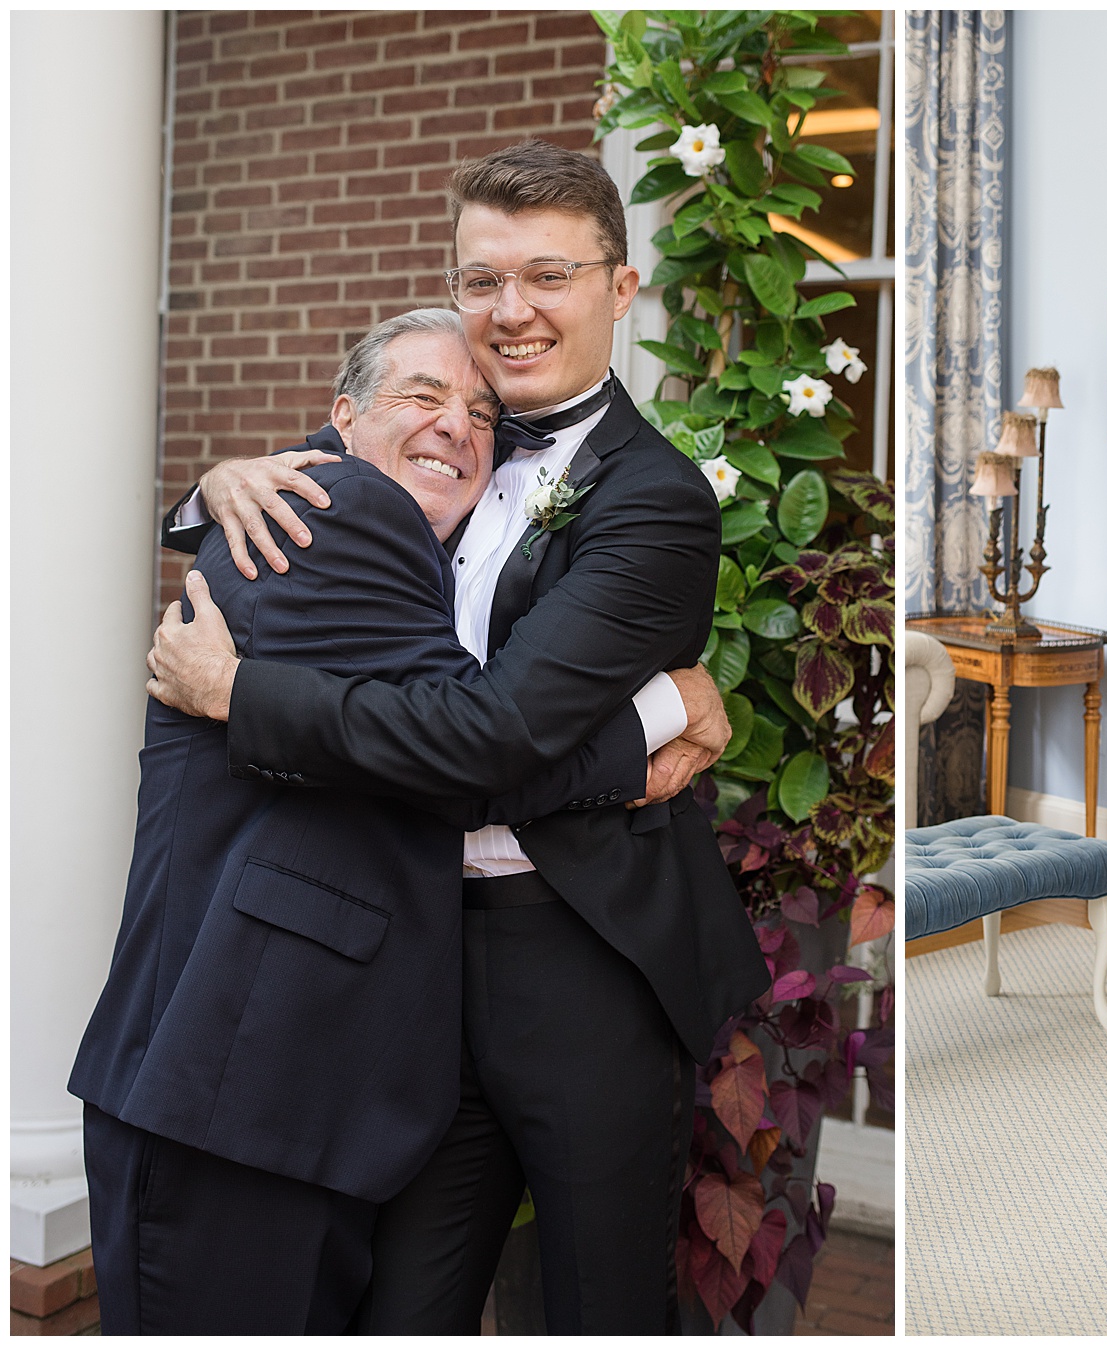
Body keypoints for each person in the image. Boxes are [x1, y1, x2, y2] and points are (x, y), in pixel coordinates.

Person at [144, 140, 771, 1333]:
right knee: (406, 1303)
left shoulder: (654, 497)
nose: (511, 311)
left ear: (620, 291)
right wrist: (213, 485)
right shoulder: (449, 443)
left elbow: (492, 734)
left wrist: (241, 695)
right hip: (422, 952)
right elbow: (335, 466)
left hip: (583, 961)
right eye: (483, 280)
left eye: (548, 276)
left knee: (598, 1303)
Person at [70, 311, 670, 1333]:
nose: (458, 428)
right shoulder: (347, 509)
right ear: (342, 416)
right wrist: (663, 717)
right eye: (424, 397)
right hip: (237, 1091)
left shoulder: (362, 515)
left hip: (276, 1089)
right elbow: (476, 751)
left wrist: (215, 481)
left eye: (482, 414)